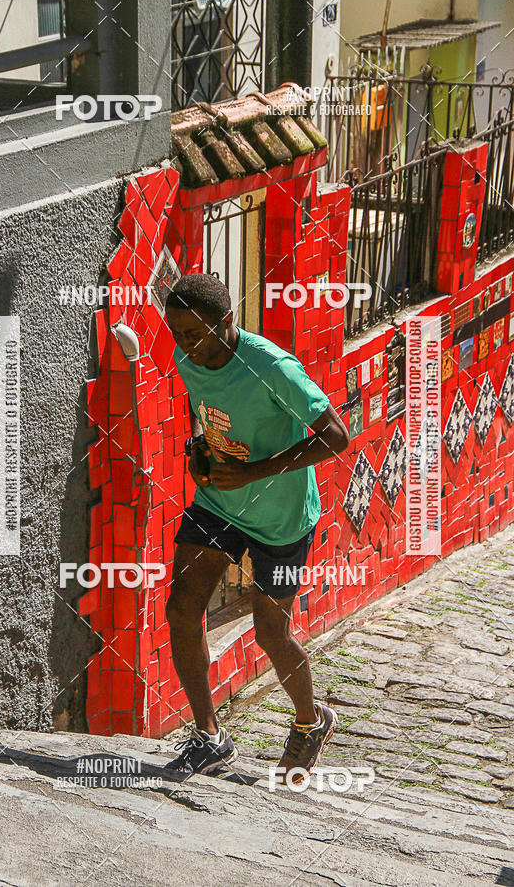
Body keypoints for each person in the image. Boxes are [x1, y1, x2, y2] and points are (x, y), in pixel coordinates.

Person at [162, 273, 349, 782]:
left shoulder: (273, 368)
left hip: (281, 522)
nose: (184, 348)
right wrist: (198, 446)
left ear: (227, 322)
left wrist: (255, 471)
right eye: (176, 335)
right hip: (219, 503)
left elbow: (337, 436)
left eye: (194, 336)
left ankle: (311, 722)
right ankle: (209, 738)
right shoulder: (188, 356)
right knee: (181, 608)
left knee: (269, 631)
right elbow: (202, 410)